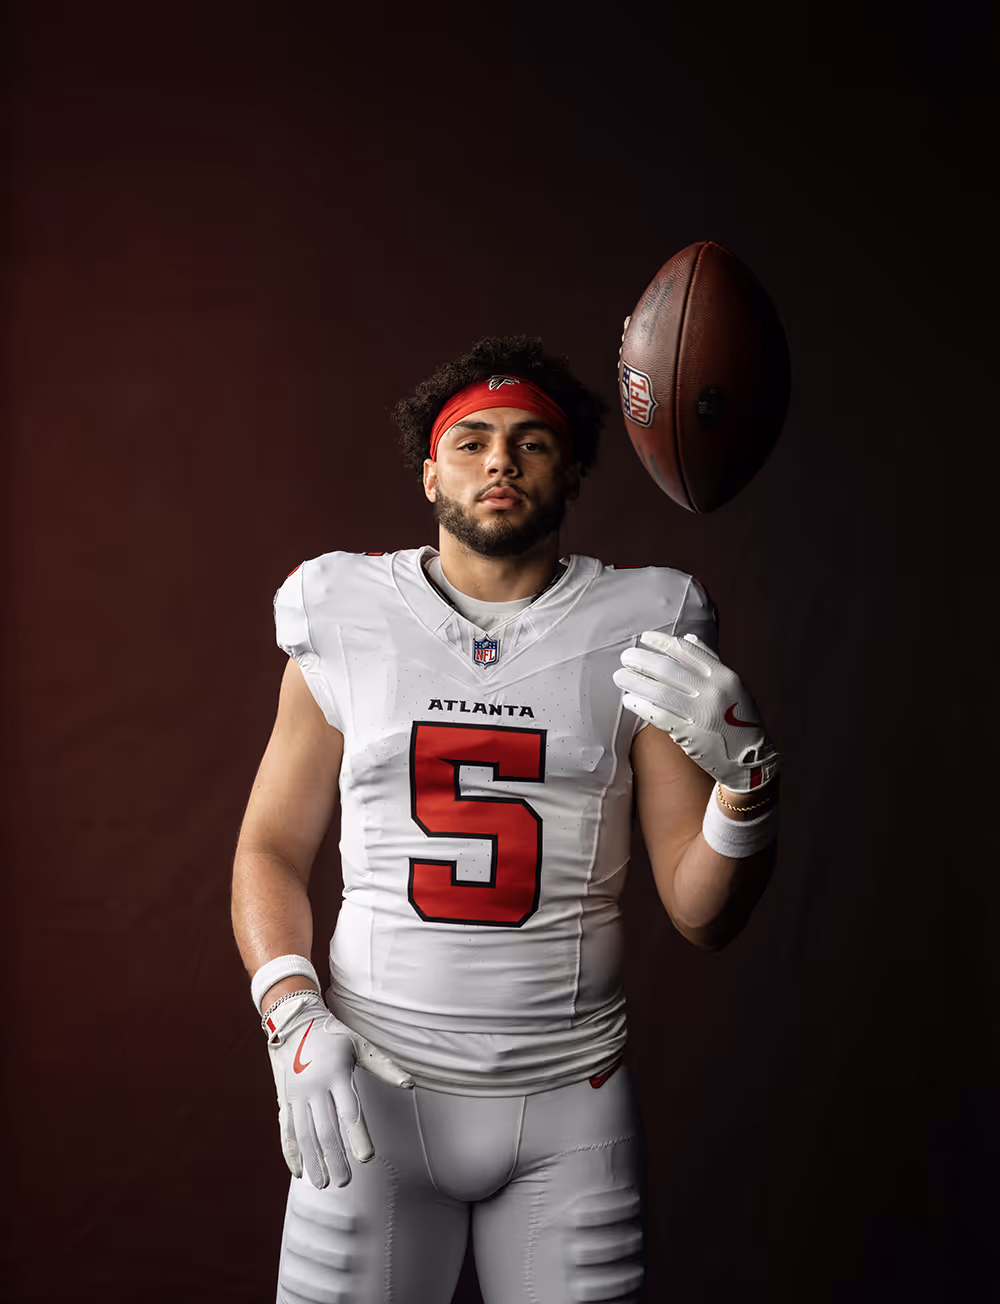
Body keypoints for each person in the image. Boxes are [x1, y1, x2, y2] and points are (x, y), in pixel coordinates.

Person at [231, 335, 781, 1304]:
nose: (499, 460)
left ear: (571, 471)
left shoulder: (642, 621)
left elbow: (701, 914)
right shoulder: (343, 608)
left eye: (531, 442)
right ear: (429, 467)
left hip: (571, 1106)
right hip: (370, 1092)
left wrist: (747, 787)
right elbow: (270, 846)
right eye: (473, 439)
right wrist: (289, 1008)